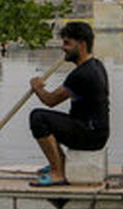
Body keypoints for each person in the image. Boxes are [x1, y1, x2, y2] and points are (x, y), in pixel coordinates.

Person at [28, 21, 109, 186]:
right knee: (49, 119)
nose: (63, 48)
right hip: (97, 131)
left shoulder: (83, 74)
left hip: (91, 135)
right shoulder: (96, 65)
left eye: (67, 43)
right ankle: (59, 164)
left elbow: (50, 101)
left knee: (38, 118)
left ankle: (58, 172)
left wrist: (37, 88)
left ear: (82, 45)